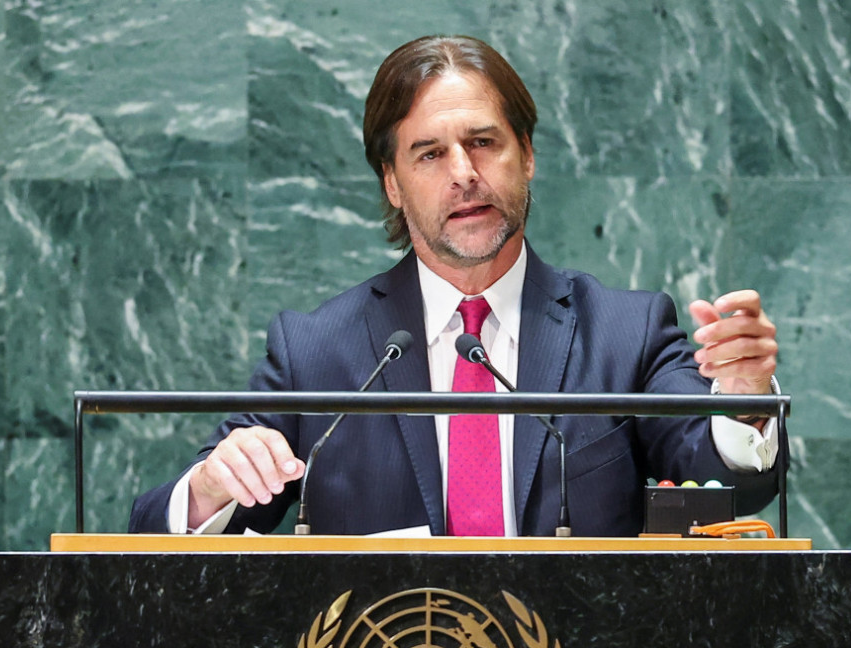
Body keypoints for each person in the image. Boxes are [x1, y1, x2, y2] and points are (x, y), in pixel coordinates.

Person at [129, 35, 780, 537]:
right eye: (430, 154)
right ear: (392, 181)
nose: (464, 174)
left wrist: (743, 405)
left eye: (483, 142)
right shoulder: (316, 351)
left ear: (526, 154)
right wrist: (214, 485)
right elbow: (163, 532)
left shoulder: (625, 333)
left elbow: (723, 483)